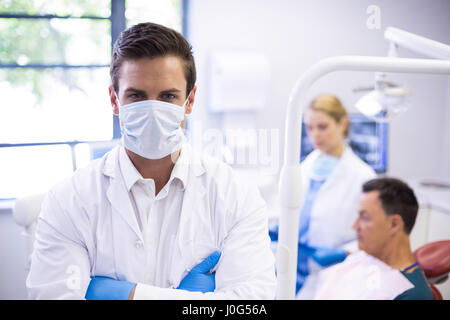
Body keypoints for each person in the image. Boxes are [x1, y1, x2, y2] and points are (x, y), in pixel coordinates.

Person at [26, 22, 276, 300]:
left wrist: (130, 295)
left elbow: (252, 303)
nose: (153, 111)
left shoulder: (236, 195)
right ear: (114, 99)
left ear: (190, 100)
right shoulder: (69, 199)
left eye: (168, 96)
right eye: (136, 96)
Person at [269, 94, 376, 299]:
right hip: (290, 269)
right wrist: (278, 228)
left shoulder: (363, 177)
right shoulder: (301, 168)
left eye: (323, 127)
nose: (315, 134)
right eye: (310, 127)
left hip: (331, 273)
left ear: (342, 123)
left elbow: (373, 238)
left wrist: (346, 252)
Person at [314, 177, 433, 300]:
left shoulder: (412, 294)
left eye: (364, 217)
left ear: (394, 224)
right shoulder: (364, 258)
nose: (355, 226)